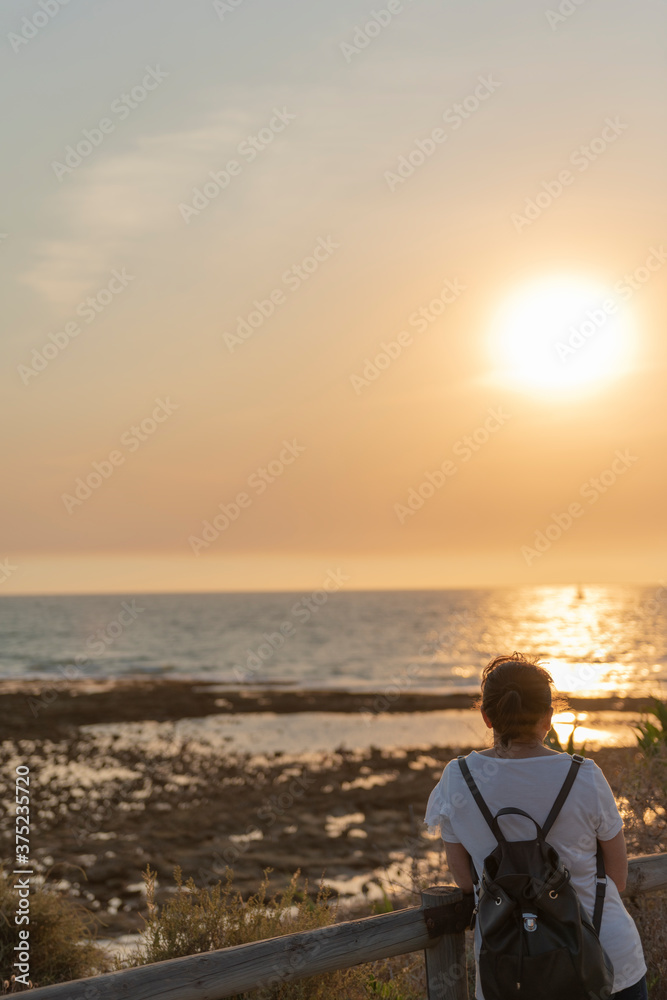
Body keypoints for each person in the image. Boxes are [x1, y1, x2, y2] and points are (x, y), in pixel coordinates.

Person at [424, 652, 647, 1000]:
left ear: (486, 716)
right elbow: (616, 877)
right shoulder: (584, 774)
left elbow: (464, 880)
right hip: (604, 960)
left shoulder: (457, 778)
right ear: (549, 716)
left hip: (509, 969)